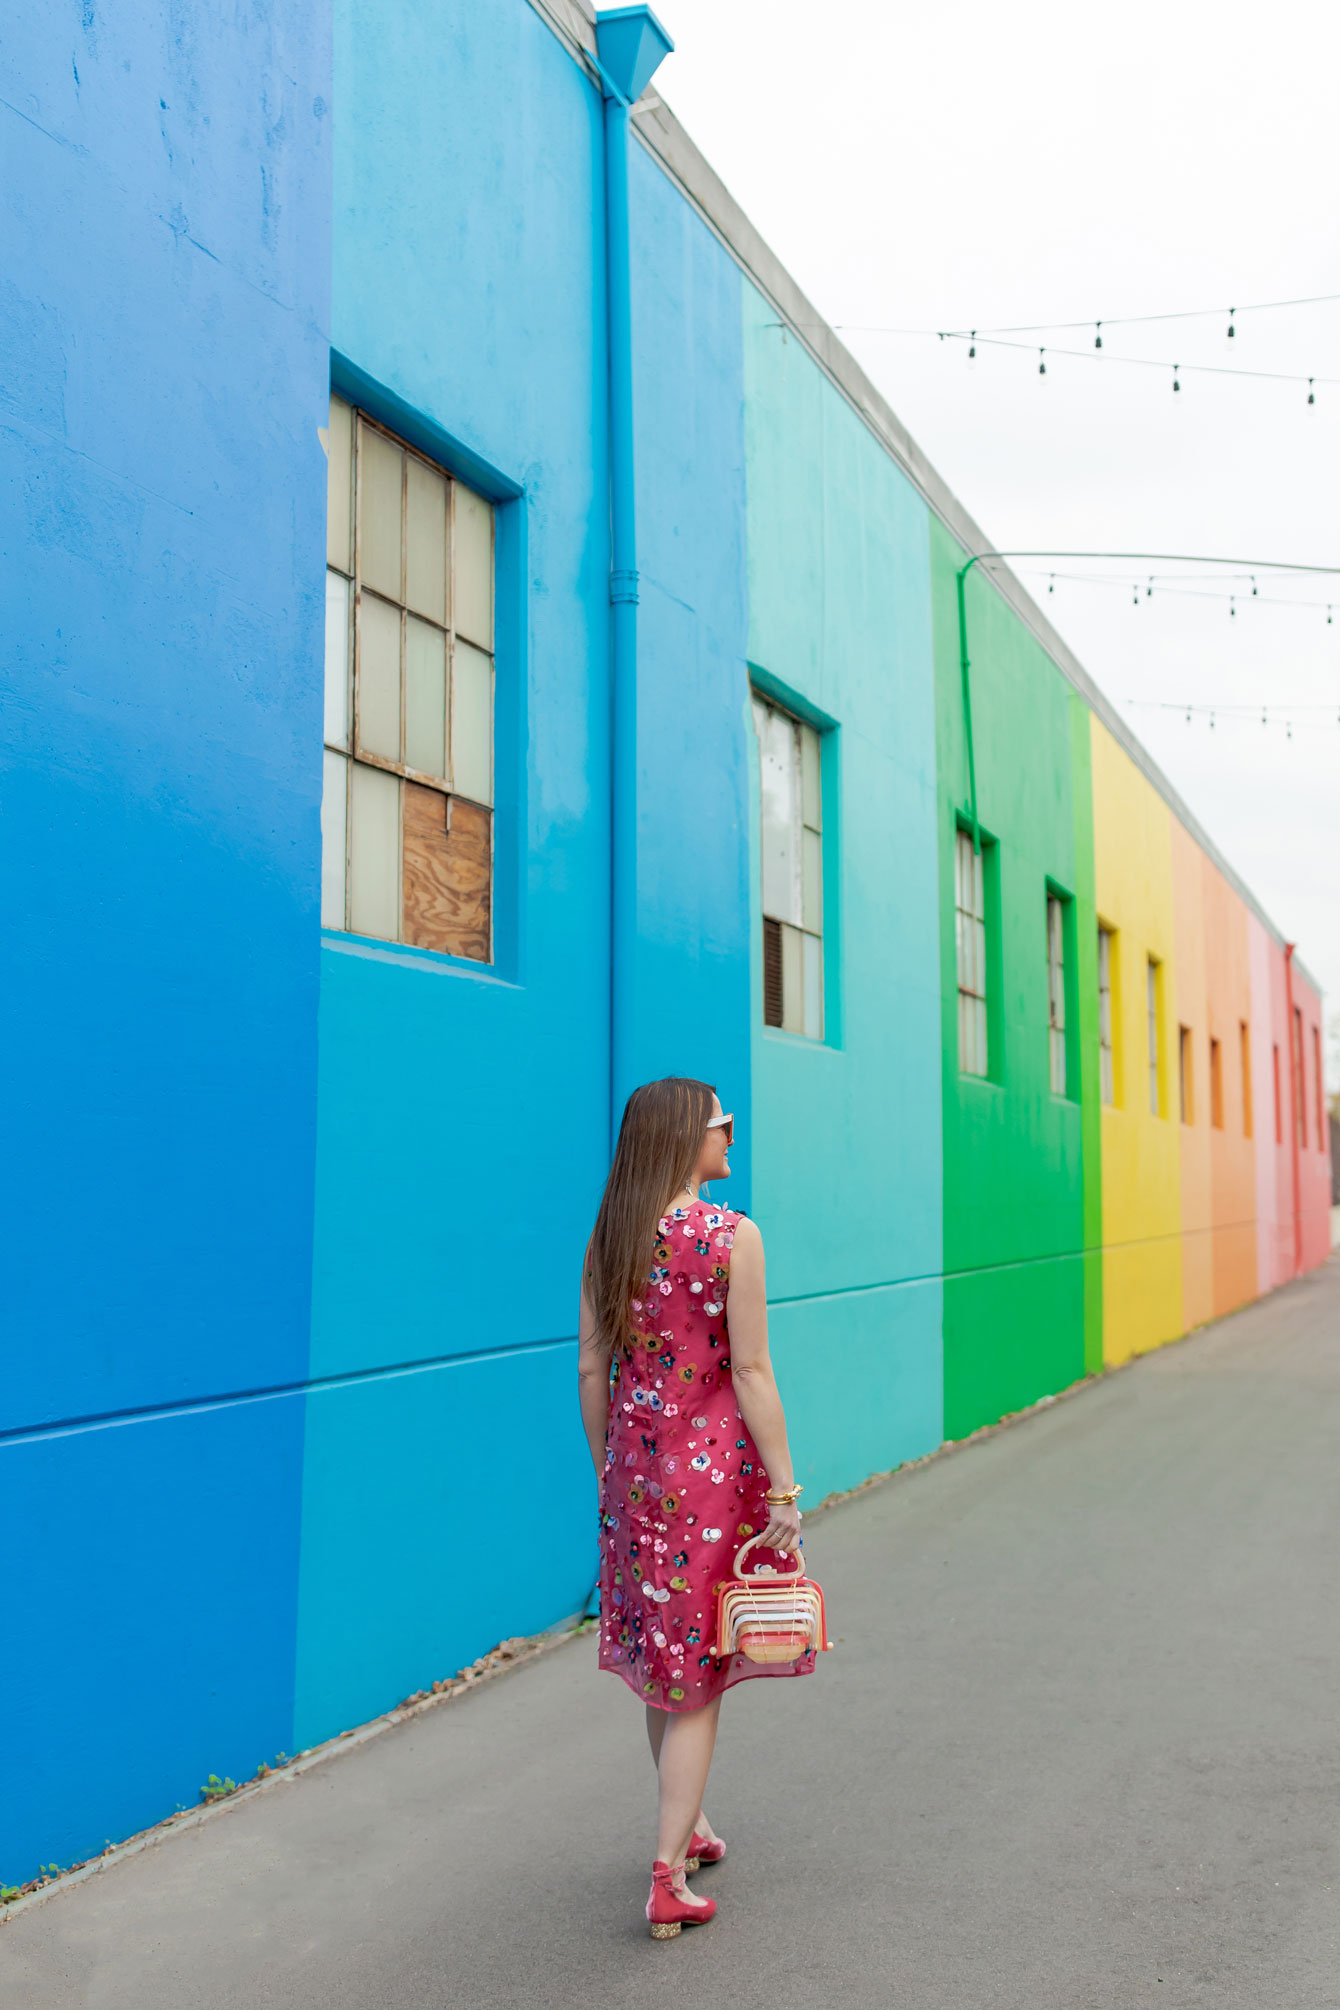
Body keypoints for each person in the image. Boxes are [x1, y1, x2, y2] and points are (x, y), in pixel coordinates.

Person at [578, 1076, 813, 1939]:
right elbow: (751, 1371)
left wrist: (612, 1474)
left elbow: (590, 1370)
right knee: (700, 1676)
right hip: (710, 1483)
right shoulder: (730, 1236)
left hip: (638, 1481)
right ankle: (666, 1875)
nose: (731, 1140)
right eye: (724, 1126)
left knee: (664, 1665)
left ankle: (693, 1825)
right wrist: (784, 1488)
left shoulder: (613, 1233)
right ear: (686, 1138)